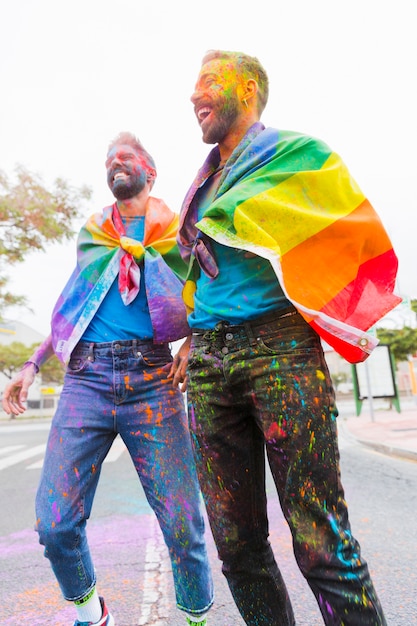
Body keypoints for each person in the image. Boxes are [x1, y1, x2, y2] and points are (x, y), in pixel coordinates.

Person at [177, 50, 401, 626]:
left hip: (280, 351)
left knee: (321, 543)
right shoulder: (203, 185)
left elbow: (349, 232)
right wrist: (189, 337)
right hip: (208, 363)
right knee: (236, 547)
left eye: (207, 81)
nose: (193, 95)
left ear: (246, 88)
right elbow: (204, 270)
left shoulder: (301, 158)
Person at [2, 132, 213, 626]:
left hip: (154, 380)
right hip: (86, 380)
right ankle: (90, 612)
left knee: (184, 526)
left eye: (126, 158)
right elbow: (72, 306)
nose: (116, 164)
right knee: (54, 523)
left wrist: (194, 341)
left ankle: (197, 619)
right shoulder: (93, 233)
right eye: (109, 161)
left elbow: (210, 290)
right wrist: (32, 365)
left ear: (150, 171)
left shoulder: (180, 229)